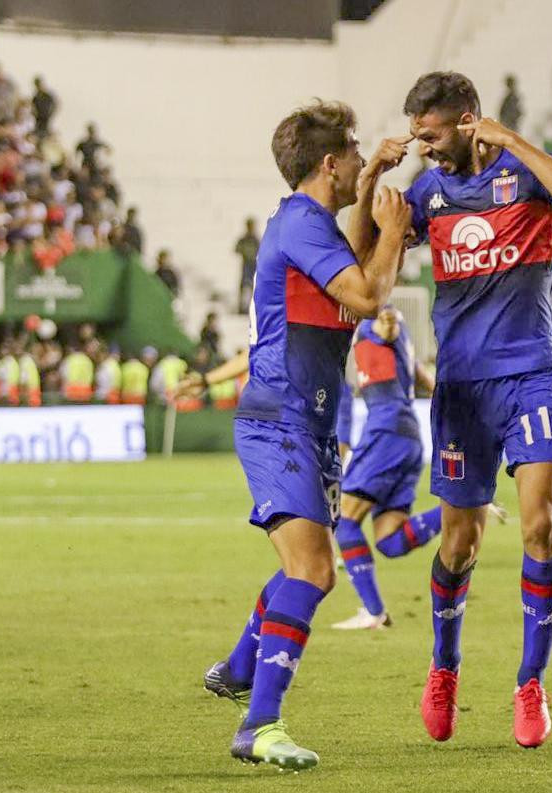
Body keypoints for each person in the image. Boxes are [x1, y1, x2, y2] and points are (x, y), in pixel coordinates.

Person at [187, 101, 412, 770]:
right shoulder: (303, 227)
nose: (357, 160)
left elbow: (359, 262)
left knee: (306, 567)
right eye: (353, 150)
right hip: (281, 414)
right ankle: (259, 724)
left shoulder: (312, 227)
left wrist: (372, 176)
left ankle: (236, 669)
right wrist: (395, 228)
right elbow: (370, 296)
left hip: (306, 421)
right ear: (327, 163)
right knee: (313, 569)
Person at [402, 71, 552, 748]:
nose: (423, 147)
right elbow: (367, 247)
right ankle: (444, 667)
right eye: (417, 136)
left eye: (431, 134)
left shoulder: (523, 172)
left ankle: (531, 683)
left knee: (540, 525)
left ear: (468, 121)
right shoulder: (425, 193)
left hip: (532, 372)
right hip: (460, 387)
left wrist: (511, 137)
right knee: (461, 543)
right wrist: (377, 186)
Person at [332, 306, 491, 629]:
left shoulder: (373, 319)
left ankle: (373, 611)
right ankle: (468, 507)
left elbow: (387, 323)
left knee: (345, 522)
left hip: (386, 432)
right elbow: (423, 376)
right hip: (407, 437)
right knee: (389, 541)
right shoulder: (396, 343)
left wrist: (386, 317)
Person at [235, 218, 260, 314]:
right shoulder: (244, 239)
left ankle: (252, 308)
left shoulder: (255, 240)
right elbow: (237, 249)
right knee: (244, 287)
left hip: (253, 265)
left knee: (254, 287)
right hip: (246, 265)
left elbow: (261, 251)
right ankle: (242, 307)